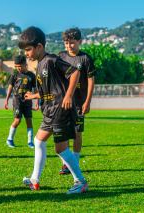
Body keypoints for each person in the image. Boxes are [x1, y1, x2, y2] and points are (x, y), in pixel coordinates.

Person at [19, 26, 88, 194]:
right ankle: (35, 180)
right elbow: (48, 91)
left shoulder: (51, 59)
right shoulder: (40, 65)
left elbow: (74, 73)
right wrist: (34, 96)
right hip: (50, 111)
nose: (26, 54)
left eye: (28, 50)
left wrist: (68, 96)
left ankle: (80, 182)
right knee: (38, 141)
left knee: (60, 149)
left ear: (39, 46)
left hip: (60, 109)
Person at [58, 28, 96, 174]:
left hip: (79, 103)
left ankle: (76, 160)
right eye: (66, 43)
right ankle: (66, 164)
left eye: (72, 43)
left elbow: (91, 81)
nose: (68, 46)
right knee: (65, 133)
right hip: (64, 102)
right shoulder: (61, 56)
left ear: (80, 42)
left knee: (77, 133)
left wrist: (88, 101)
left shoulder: (85, 59)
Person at [4, 55, 39, 148]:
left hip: (28, 101)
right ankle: (10, 139)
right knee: (17, 120)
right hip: (17, 101)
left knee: (29, 121)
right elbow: (10, 88)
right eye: (16, 66)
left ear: (25, 64)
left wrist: (37, 101)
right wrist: (6, 100)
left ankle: (30, 142)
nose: (18, 68)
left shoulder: (31, 75)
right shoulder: (14, 75)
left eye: (19, 66)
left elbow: (35, 89)